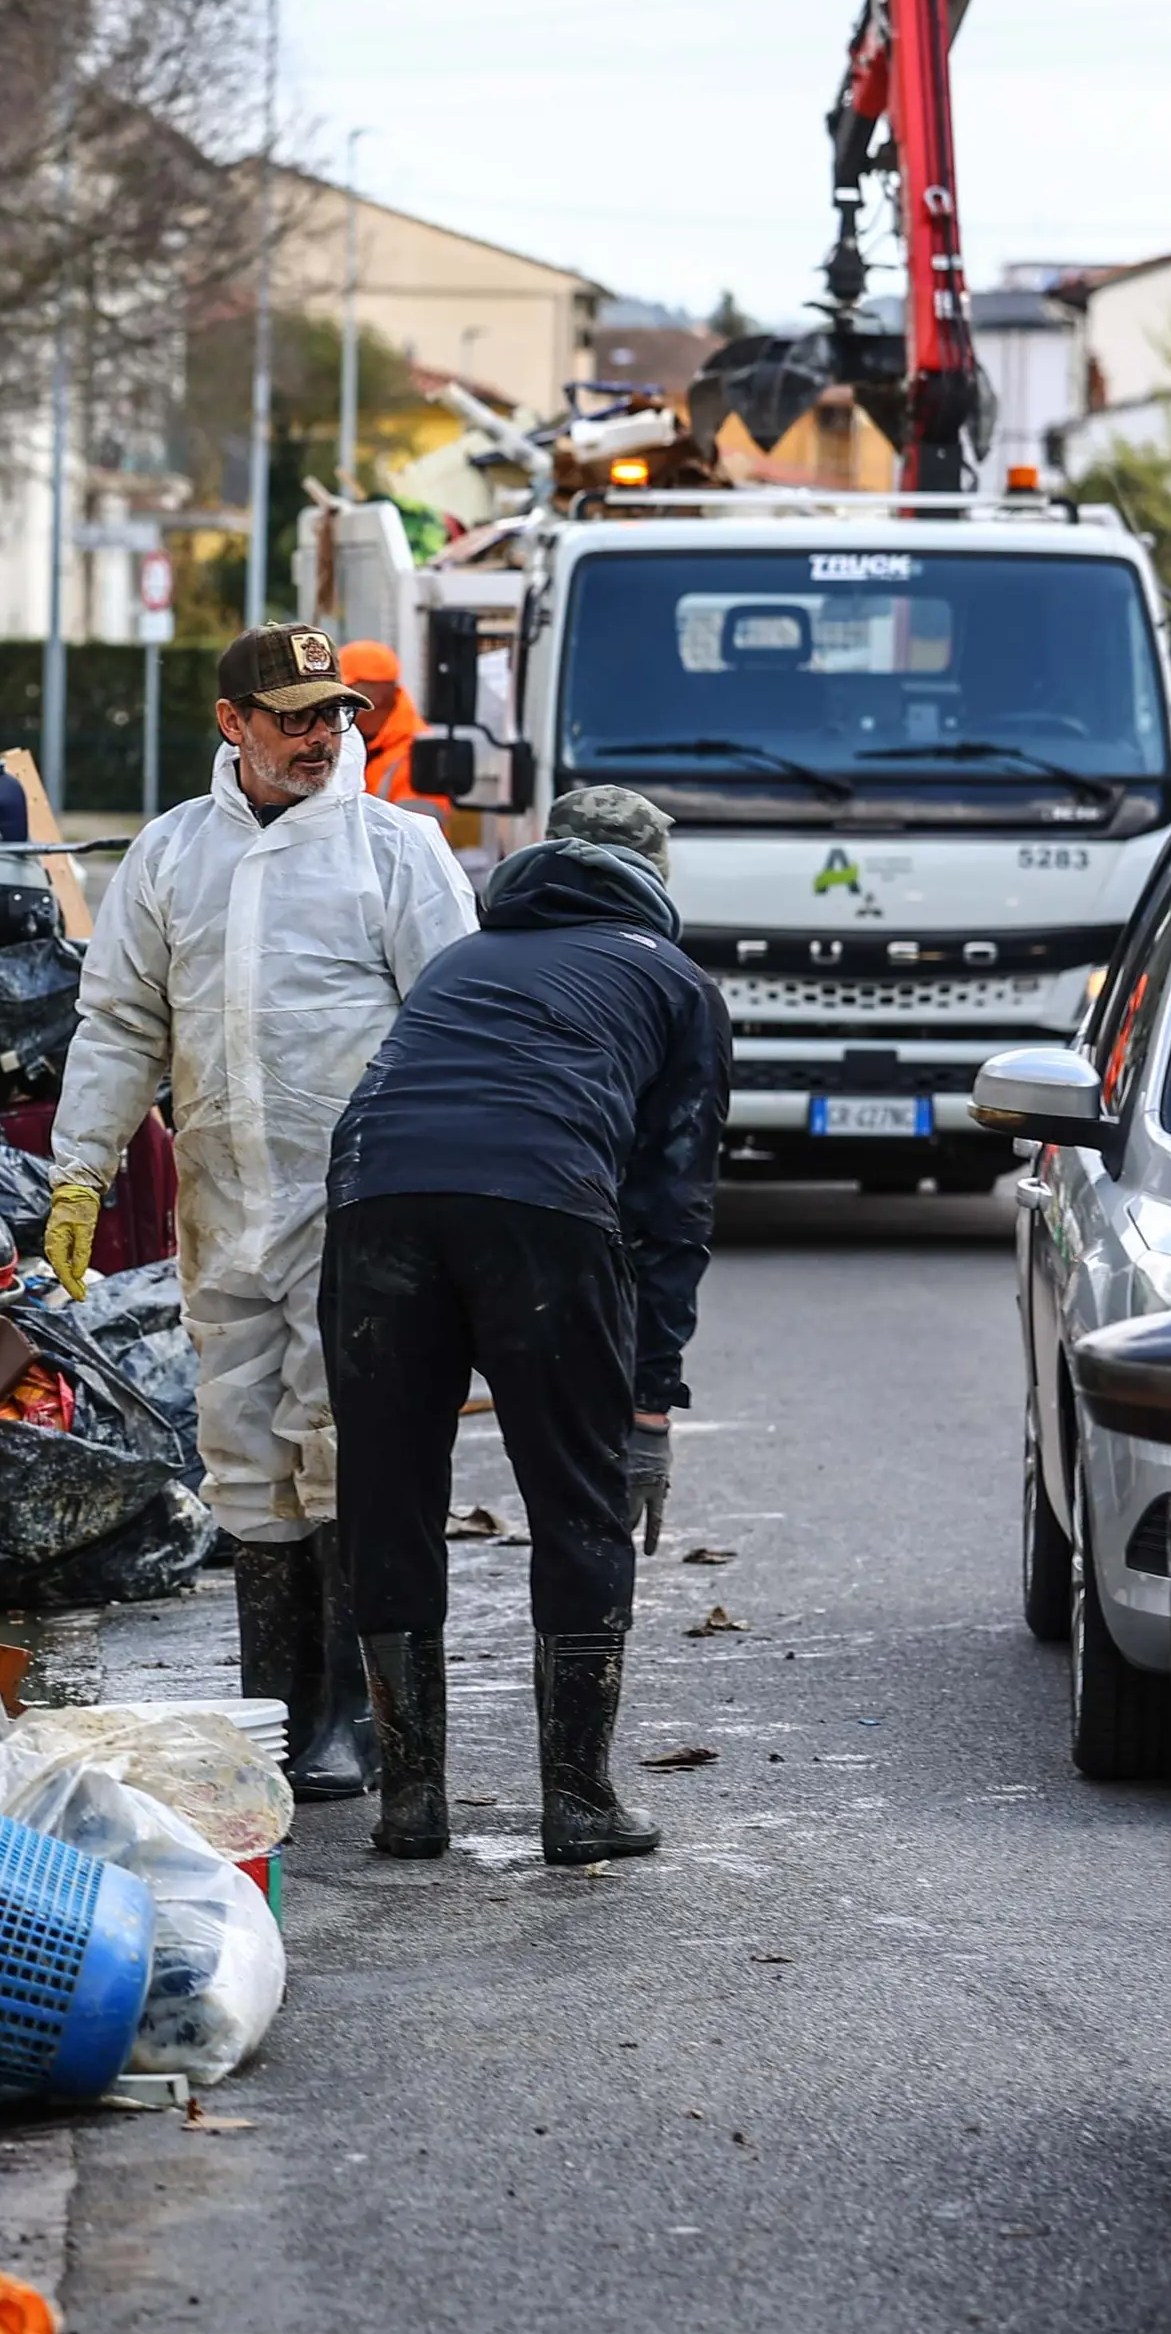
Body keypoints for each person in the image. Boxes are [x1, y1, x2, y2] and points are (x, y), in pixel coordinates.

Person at [47, 624, 478, 1796]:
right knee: (243, 1453)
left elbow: (454, 1027)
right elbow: (123, 1021)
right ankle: (275, 1704)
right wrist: (79, 1167)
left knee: (343, 1446)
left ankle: (355, 1714)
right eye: (294, 715)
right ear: (232, 723)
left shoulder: (395, 850)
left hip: (358, 1205)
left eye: (333, 713)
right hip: (224, 1198)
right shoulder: (172, 854)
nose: (322, 735)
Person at [322, 784, 728, 1865]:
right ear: (653, 876)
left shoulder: (461, 960)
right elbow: (670, 1208)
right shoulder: (673, 981)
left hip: (374, 1201)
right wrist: (648, 1402)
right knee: (575, 1495)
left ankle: (410, 1799)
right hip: (540, 1211)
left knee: (389, 1489)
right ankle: (579, 1800)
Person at [337, 638, 428, 806]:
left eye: (345, 689)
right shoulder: (341, 740)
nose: (335, 700)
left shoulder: (419, 755)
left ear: (375, 695)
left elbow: (408, 828)